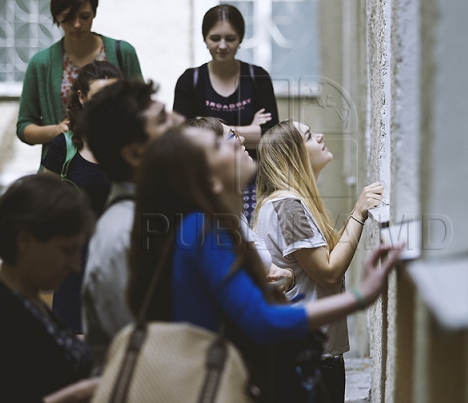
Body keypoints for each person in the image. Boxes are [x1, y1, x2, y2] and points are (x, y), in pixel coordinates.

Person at [127, 126, 400, 402]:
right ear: (210, 181)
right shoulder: (202, 229)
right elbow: (260, 320)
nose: (239, 141)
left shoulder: (214, 224)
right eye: (218, 145)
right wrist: (360, 296)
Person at [252, 120, 384, 403]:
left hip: (305, 353)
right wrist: (359, 213)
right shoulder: (288, 206)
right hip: (307, 357)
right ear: (293, 156)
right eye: (310, 135)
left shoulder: (285, 202)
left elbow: (325, 255)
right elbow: (328, 272)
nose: (321, 135)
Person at [0, 175, 98, 403]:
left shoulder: (27, 301)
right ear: (24, 241)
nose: (75, 266)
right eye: (66, 251)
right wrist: (74, 395)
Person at [80, 78, 184, 370]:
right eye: (164, 120)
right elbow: (149, 353)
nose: (181, 121)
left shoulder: (160, 214)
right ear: (135, 154)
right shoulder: (124, 236)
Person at [16, 0, 143, 163]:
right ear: (56, 16)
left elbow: (143, 109)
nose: (77, 25)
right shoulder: (41, 63)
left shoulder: (122, 53)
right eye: (68, 18)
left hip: (116, 166)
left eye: (84, 16)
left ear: (94, 13)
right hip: (62, 171)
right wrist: (54, 131)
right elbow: (24, 126)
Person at [173, 4, 279, 222]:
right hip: (209, 183)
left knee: (252, 242)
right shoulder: (190, 81)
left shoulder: (257, 78)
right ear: (204, 39)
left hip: (255, 182)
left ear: (240, 39)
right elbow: (184, 140)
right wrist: (250, 129)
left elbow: (272, 136)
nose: (222, 45)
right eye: (215, 38)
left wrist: (215, 131)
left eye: (230, 38)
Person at [40, 60, 121, 334]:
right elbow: (42, 201)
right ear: (82, 98)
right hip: (73, 264)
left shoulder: (132, 146)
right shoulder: (64, 145)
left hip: (118, 262)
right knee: (72, 346)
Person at [183, 116, 294, 290]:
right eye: (232, 135)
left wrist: (287, 275)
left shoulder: (232, 212)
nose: (241, 138)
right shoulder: (211, 225)